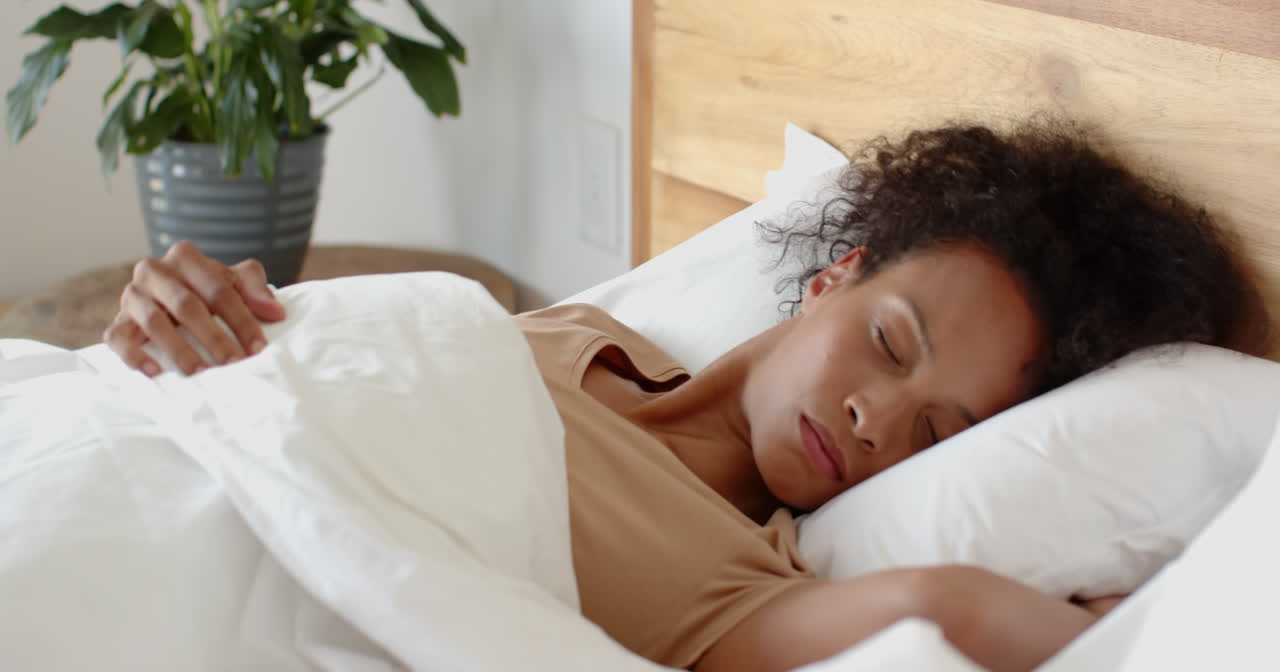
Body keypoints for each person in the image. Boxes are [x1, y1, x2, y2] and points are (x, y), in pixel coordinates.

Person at [103, 118, 1263, 672]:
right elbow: (349, 381)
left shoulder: (742, 581)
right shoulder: (563, 334)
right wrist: (185, 310)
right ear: (831, 278)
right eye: (890, 346)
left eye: (938, 432)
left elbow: (944, 610)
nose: (877, 420)